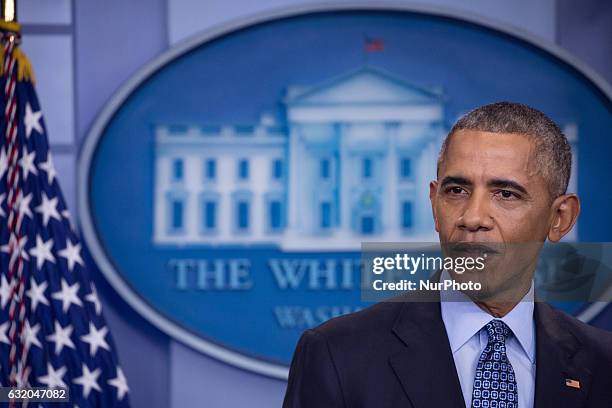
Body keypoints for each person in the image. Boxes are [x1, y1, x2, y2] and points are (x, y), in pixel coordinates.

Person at [282, 102, 612, 408]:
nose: (472, 217)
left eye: (505, 194)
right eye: (456, 191)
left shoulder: (603, 363)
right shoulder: (336, 355)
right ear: (434, 205)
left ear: (560, 218)